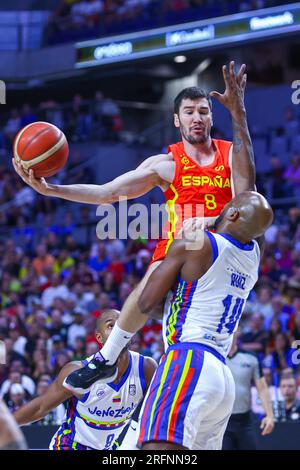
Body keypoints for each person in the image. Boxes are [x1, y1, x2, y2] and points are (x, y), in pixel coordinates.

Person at [13, 61, 255, 393]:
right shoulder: (165, 165)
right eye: (189, 112)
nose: (197, 117)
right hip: (180, 253)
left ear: (212, 118)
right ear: (176, 120)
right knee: (154, 280)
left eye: (203, 111)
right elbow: (107, 193)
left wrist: (238, 113)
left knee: (247, 218)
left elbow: (247, 195)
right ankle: (107, 359)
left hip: (223, 245)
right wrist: (52, 190)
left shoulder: (231, 154)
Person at [137, 191, 273, 450]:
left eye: (229, 205)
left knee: (157, 450)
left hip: (189, 359)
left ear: (232, 213)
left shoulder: (197, 243)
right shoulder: (254, 255)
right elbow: (257, 226)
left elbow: (145, 304)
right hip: (222, 378)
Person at [13, 309, 157, 450]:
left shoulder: (146, 368)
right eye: (111, 325)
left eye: (121, 324)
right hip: (70, 445)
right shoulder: (78, 370)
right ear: (99, 337)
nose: (118, 330)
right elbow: (40, 407)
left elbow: (156, 412)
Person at [222, 331, 274, 450]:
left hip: (244, 422)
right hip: (220, 422)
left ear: (238, 331)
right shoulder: (215, 358)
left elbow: (262, 388)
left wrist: (270, 415)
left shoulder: (251, 358)